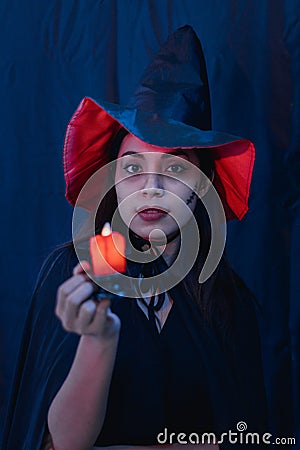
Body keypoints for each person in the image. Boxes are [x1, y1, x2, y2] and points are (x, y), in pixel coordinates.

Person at [2, 26, 267, 450]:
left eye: (175, 167)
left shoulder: (229, 301)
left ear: (201, 184)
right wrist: (99, 338)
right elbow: (61, 443)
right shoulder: (74, 273)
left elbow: (244, 438)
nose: (152, 187)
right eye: (132, 168)